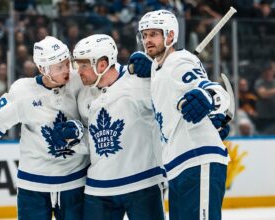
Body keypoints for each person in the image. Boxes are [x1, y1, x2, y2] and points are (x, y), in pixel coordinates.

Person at [0, 36, 89, 220]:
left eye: (67, 63)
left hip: (75, 182)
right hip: (33, 185)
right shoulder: (23, 91)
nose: (67, 69)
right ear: (43, 68)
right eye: (59, 67)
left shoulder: (79, 80)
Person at [134, 10, 231, 220]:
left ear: (170, 36)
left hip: (198, 158)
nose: (147, 40)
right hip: (178, 165)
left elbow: (214, 91)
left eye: (153, 34)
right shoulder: (158, 69)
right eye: (144, 35)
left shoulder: (179, 61)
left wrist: (209, 98)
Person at [72, 34, 166, 220]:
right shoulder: (84, 94)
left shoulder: (139, 82)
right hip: (99, 188)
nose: (78, 71)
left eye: (83, 65)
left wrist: (158, 71)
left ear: (102, 64)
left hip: (143, 183)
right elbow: (90, 139)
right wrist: (74, 135)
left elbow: (172, 105)